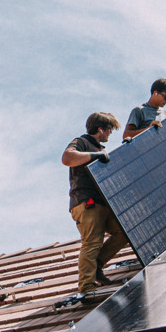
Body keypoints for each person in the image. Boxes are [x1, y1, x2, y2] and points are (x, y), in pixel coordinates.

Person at [62, 112, 130, 296]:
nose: (110, 134)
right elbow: (67, 158)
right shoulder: (82, 143)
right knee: (92, 242)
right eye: (109, 130)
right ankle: (87, 287)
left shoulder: (100, 149)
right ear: (100, 129)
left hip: (103, 204)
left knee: (123, 232)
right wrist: (95, 155)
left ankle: (97, 266)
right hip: (86, 202)